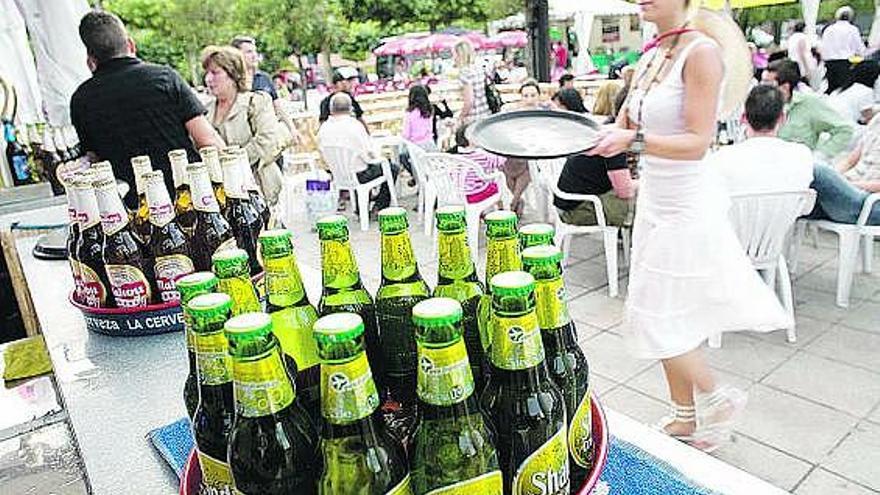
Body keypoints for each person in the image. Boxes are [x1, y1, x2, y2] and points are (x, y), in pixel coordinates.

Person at [587, 0, 791, 451]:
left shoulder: (701, 52)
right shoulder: (650, 55)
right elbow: (618, 125)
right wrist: (580, 137)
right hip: (655, 198)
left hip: (686, 201)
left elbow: (698, 142)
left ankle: (717, 399)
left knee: (656, 313)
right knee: (659, 306)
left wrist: (631, 140)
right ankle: (684, 415)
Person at [70, 10, 224, 208]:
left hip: (133, 211)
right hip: (192, 200)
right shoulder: (164, 78)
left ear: (91, 59)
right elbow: (208, 140)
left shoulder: (81, 100)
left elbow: (93, 160)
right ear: (131, 44)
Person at [202, 46, 290, 205]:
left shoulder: (256, 102)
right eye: (207, 73)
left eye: (215, 73)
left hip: (259, 191)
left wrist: (229, 166)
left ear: (233, 74)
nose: (208, 79)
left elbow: (266, 141)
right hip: (222, 197)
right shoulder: (205, 111)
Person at [708, 85, 814, 196]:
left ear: (743, 118)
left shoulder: (720, 160)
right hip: (787, 213)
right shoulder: (802, 156)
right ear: (782, 118)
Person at [317, 93, 398, 213]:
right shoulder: (354, 126)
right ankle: (379, 206)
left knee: (359, 165)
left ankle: (362, 207)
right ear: (350, 109)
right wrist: (378, 156)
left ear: (331, 109)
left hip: (338, 175)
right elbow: (369, 155)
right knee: (391, 167)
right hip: (359, 175)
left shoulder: (323, 129)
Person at [763, 59, 854, 163]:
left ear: (784, 87)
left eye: (767, 84)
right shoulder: (758, 104)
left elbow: (844, 129)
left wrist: (820, 156)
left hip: (799, 167)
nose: (761, 88)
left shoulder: (809, 104)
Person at [808, 109, 880, 224]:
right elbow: (850, 161)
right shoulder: (877, 120)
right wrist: (835, 179)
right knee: (792, 200)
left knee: (815, 170)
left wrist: (849, 185)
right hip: (850, 193)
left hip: (872, 201)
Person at [554, 151, 636, 228]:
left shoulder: (598, 138)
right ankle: (634, 237)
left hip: (566, 204)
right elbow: (625, 192)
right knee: (640, 202)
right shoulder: (614, 148)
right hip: (575, 211)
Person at [453, 126, 504, 205]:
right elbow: (499, 161)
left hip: (459, 195)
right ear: (470, 138)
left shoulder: (455, 157)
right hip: (477, 194)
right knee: (495, 185)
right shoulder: (481, 155)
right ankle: (495, 212)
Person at [821, 6, 866, 94]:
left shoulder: (828, 29)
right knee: (846, 90)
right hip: (846, 63)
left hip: (830, 63)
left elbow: (824, 47)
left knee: (831, 88)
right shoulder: (853, 29)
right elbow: (859, 48)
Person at [454, 41, 490, 126]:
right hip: (486, 112)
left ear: (459, 55)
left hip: (473, 118)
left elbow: (469, 101)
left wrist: (460, 117)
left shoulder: (464, 73)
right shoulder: (480, 69)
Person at [231, 35, 277, 99]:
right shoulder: (230, 79)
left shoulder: (264, 78)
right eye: (249, 52)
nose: (254, 55)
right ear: (236, 55)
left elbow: (276, 104)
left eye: (255, 51)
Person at [401, 85, 437, 150]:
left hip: (415, 147)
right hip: (430, 143)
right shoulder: (429, 111)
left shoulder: (409, 113)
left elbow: (406, 134)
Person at [787, 21, 819, 89]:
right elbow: (802, 53)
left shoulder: (792, 37)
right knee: (805, 84)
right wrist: (807, 69)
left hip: (793, 62)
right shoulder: (802, 37)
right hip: (801, 64)